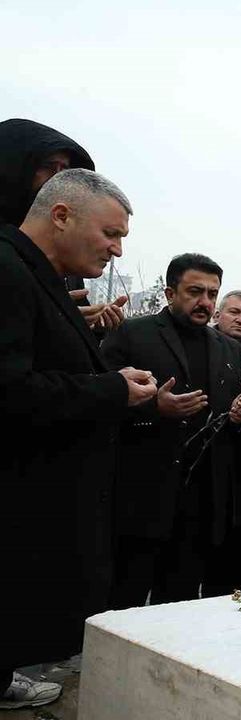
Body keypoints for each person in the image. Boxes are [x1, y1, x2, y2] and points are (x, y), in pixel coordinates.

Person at [0, 169, 154, 710]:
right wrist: (113, 389)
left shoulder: (40, 277)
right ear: (61, 215)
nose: (116, 250)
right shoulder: (8, 271)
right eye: (111, 234)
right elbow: (10, 390)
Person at [102, 253, 241, 606]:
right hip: (140, 498)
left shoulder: (228, 348)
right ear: (170, 293)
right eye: (195, 292)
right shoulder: (132, 334)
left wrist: (239, 416)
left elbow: (226, 416)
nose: (205, 302)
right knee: (122, 606)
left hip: (200, 505)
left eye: (212, 294)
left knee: (178, 607)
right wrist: (154, 409)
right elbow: (99, 402)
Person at [0, 118, 125, 334]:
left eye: (65, 170)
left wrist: (87, 325)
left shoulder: (63, 251)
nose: (58, 179)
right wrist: (45, 309)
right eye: (50, 168)